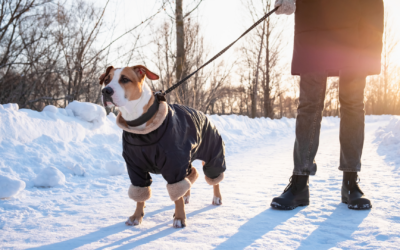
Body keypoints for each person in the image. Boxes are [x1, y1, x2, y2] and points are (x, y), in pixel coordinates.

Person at [271, 0, 384, 210]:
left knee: (352, 104)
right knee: (308, 104)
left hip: (358, 18)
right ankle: (299, 183)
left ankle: (351, 183)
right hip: (314, 18)